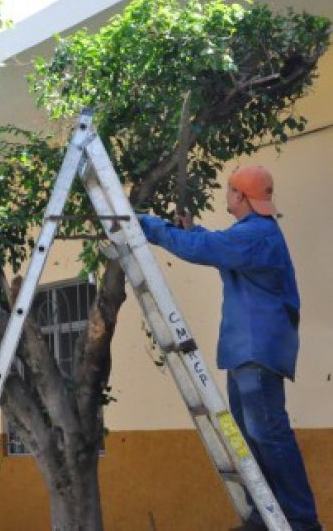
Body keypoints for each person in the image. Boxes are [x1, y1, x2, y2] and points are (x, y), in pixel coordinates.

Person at [137, 165, 320, 531]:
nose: (227, 195)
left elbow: (207, 249)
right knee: (251, 437)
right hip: (247, 350)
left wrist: (148, 225)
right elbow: (217, 246)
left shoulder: (256, 235)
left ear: (239, 196)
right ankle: (264, 513)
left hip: (257, 350)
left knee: (268, 433)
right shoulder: (252, 235)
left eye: (229, 190)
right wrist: (192, 230)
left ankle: (300, 521)